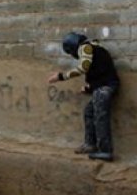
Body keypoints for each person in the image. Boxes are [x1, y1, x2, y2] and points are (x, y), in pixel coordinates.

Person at [47, 32, 120, 162]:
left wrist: (60, 76)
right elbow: (100, 74)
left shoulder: (86, 48)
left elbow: (83, 68)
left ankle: (105, 151)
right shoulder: (95, 50)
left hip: (105, 87)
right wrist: (89, 88)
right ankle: (90, 144)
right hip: (104, 85)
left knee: (100, 117)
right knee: (89, 111)